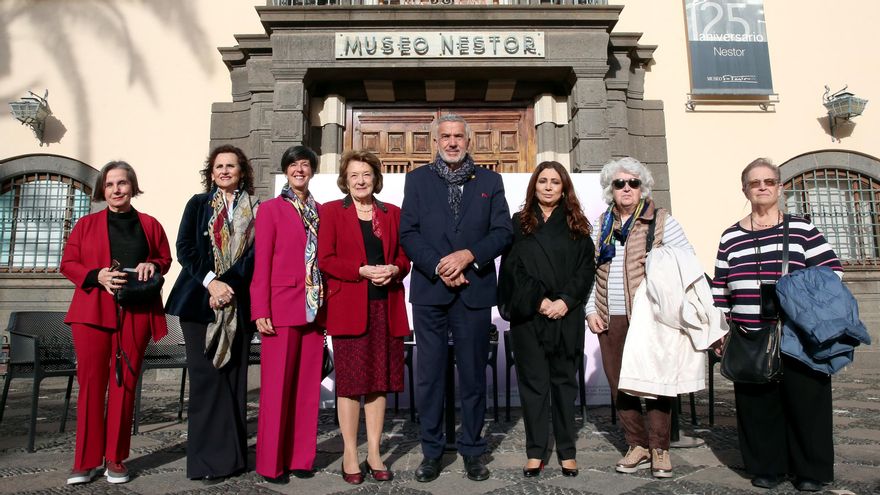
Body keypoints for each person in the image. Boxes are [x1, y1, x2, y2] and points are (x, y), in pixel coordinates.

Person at [712, 158, 842, 492]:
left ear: (780, 187)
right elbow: (719, 289)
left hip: (798, 334)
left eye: (769, 181)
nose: (763, 187)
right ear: (745, 190)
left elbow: (832, 273)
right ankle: (767, 466)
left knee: (807, 402)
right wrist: (720, 330)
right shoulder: (730, 237)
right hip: (750, 333)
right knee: (757, 404)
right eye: (755, 183)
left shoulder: (803, 230)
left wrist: (796, 294)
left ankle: (810, 470)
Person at [400, 113, 513, 483]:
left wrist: (469, 256)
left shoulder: (491, 181)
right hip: (431, 292)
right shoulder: (417, 180)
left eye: (458, 137)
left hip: (474, 291)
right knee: (429, 377)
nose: (451, 142)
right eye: (445, 136)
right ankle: (431, 452)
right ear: (436, 141)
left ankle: (473, 451)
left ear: (469, 141)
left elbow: (502, 231)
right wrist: (439, 266)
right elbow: (409, 233)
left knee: (473, 377)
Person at [60, 161, 172, 485]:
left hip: (135, 314)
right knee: (92, 387)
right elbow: (68, 263)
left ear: (132, 186)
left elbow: (164, 258)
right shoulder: (85, 225)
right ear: (102, 189)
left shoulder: (150, 224)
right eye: (109, 185)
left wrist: (153, 264)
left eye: (122, 183)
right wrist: (97, 275)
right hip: (92, 314)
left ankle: (116, 459)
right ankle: (85, 461)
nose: (116, 190)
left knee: (125, 387)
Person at [585, 156, 693, 478]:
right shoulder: (601, 224)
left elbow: (686, 261)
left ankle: (660, 448)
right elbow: (590, 273)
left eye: (633, 183)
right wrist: (591, 310)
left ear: (643, 187)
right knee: (620, 385)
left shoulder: (661, 221)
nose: (627, 188)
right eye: (620, 183)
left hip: (650, 318)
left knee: (656, 383)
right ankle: (637, 445)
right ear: (611, 189)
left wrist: (659, 259)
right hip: (610, 316)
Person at [165, 145, 258, 484]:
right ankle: (206, 461)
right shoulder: (198, 204)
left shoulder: (256, 209)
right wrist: (211, 283)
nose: (224, 171)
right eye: (218, 166)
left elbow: (256, 255)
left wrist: (227, 285)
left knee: (234, 381)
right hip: (198, 303)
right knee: (207, 381)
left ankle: (234, 458)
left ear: (241, 171)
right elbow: (184, 248)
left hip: (238, 302)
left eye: (230, 165)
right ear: (211, 172)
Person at [318, 150, 411, 484]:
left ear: (376, 179)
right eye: (354, 175)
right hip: (349, 308)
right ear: (346, 179)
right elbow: (325, 259)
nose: (360, 180)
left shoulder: (392, 213)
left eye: (366, 174)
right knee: (350, 382)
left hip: (385, 307)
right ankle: (350, 453)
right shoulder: (331, 212)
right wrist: (359, 271)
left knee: (378, 382)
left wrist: (394, 268)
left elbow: (403, 255)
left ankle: (374, 451)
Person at [498, 161, 595, 478]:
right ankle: (536, 451)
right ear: (534, 186)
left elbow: (585, 270)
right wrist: (540, 301)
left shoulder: (577, 226)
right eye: (543, 181)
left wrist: (565, 301)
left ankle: (567, 450)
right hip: (530, 316)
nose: (549, 186)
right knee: (534, 387)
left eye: (556, 181)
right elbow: (513, 270)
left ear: (565, 187)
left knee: (564, 386)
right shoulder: (519, 224)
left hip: (565, 317)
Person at [250, 145, 324, 484]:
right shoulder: (270, 210)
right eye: (294, 165)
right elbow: (261, 261)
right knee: (277, 389)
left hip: (313, 311)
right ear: (285, 171)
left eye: (305, 165)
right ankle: (270, 463)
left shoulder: (320, 211)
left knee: (308, 389)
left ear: (312, 171)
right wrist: (260, 308)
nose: (299, 170)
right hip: (279, 308)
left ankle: (301, 458)